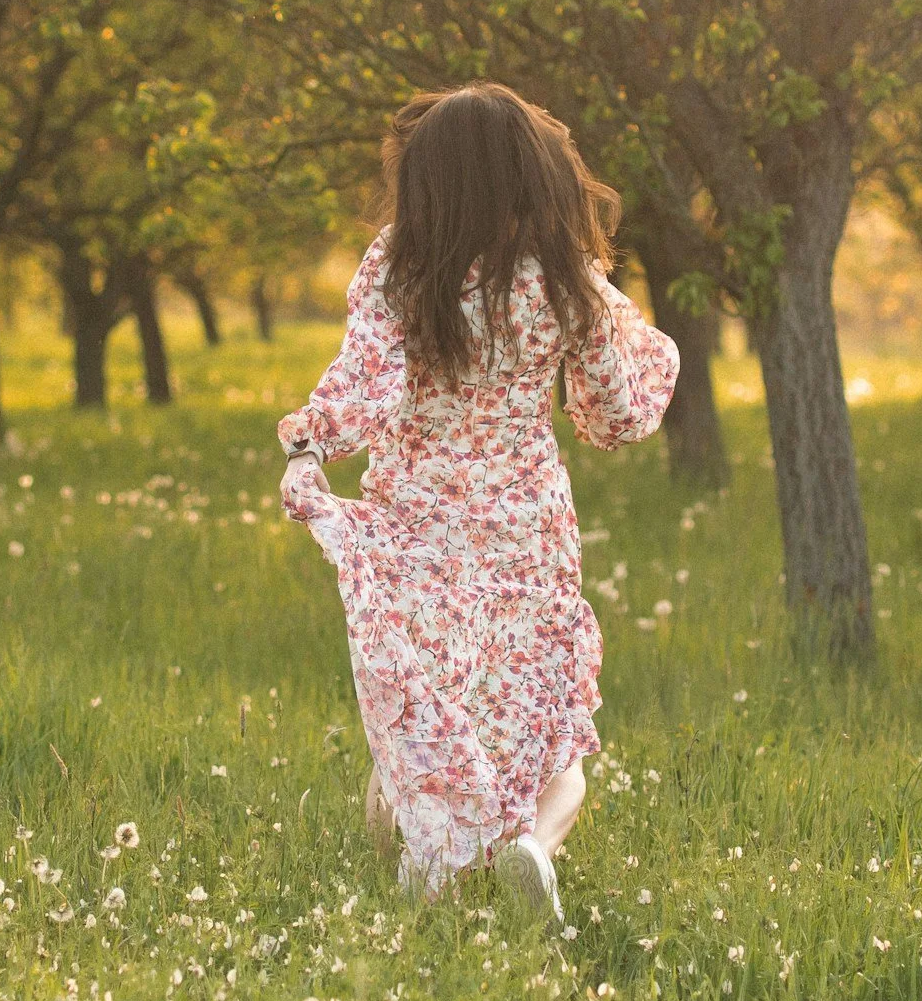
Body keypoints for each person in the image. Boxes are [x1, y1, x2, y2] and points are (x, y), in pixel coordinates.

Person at [278, 85, 680, 915]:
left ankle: (430, 865)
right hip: (525, 527)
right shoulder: (566, 277)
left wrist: (308, 444)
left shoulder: (399, 264)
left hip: (417, 521)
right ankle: (533, 844)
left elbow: (366, 385)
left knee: (420, 709)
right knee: (549, 722)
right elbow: (618, 412)